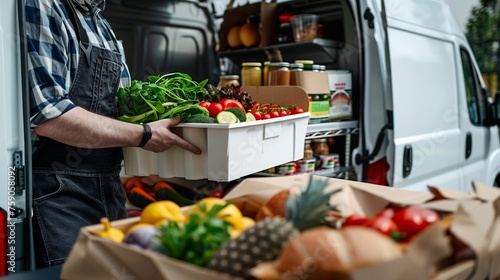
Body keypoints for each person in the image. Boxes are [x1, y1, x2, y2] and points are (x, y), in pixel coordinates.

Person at [25, 0, 201, 268]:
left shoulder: (100, 22)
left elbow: (117, 110)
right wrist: (143, 135)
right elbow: (50, 116)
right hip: (60, 195)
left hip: (110, 190)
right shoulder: (44, 6)